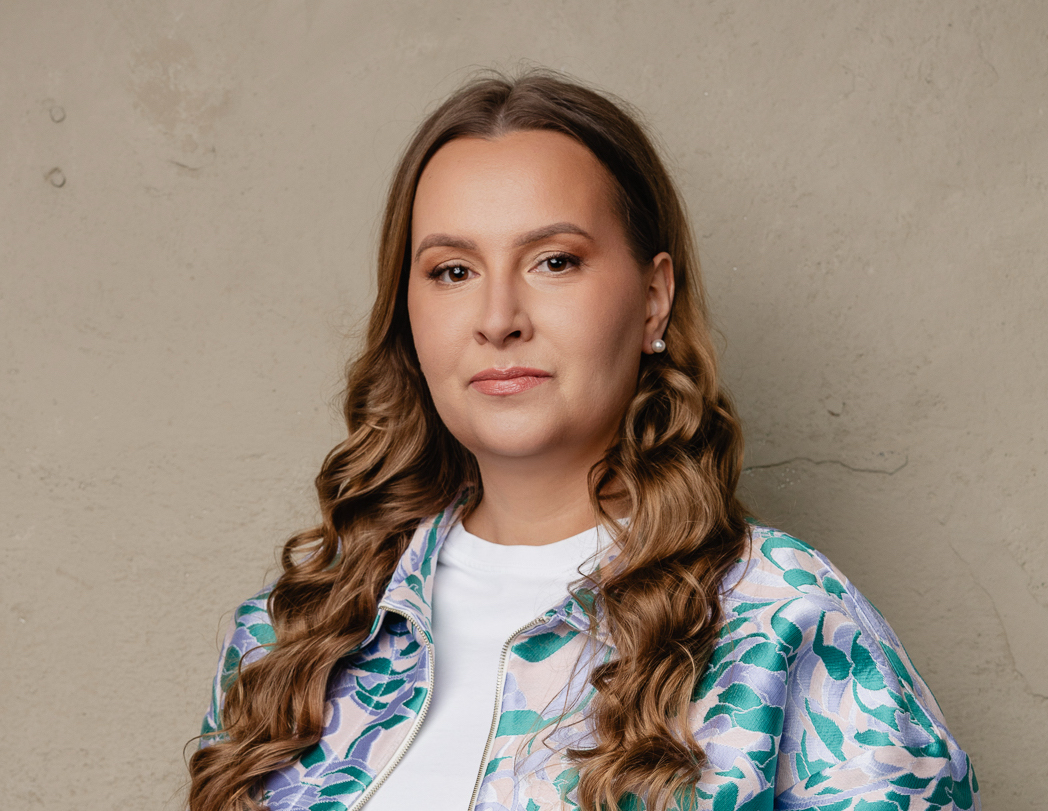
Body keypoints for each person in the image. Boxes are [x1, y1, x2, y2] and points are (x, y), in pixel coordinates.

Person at [187, 71, 979, 811]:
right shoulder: (293, 638)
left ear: (653, 299)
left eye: (554, 261)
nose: (498, 318)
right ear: (409, 315)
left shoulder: (782, 618)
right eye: (453, 271)